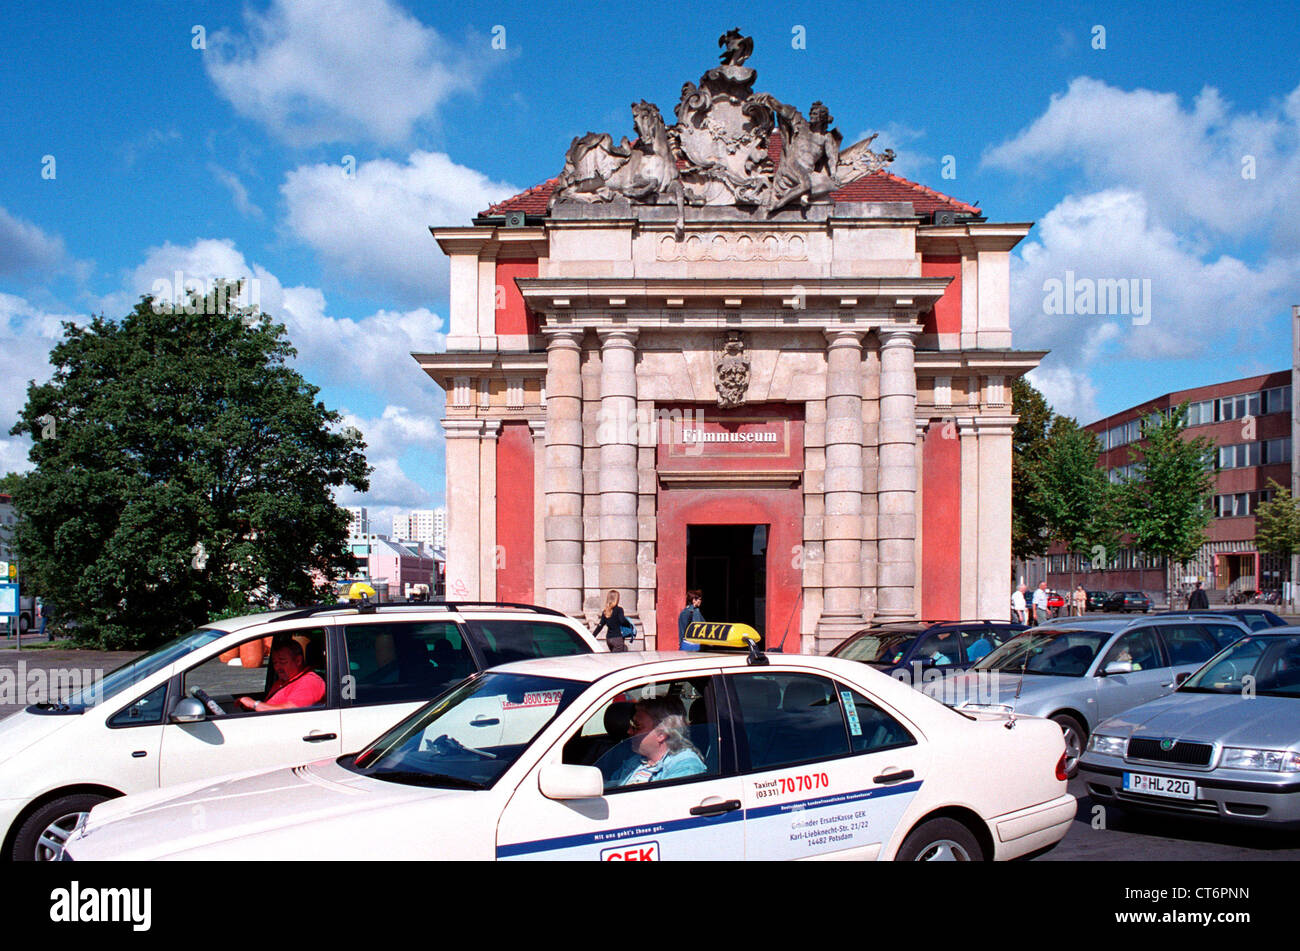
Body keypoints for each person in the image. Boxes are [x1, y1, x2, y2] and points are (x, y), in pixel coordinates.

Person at [607, 697, 706, 787]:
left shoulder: (686, 766)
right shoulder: (636, 761)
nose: (629, 731)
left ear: (661, 735)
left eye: (637, 726)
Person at [237, 639, 325, 712]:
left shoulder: (309, 682)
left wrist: (254, 704)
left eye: (282, 661)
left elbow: (289, 711)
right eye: (275, 663)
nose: (277, 667)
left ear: (298, 660)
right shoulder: (284, 680)